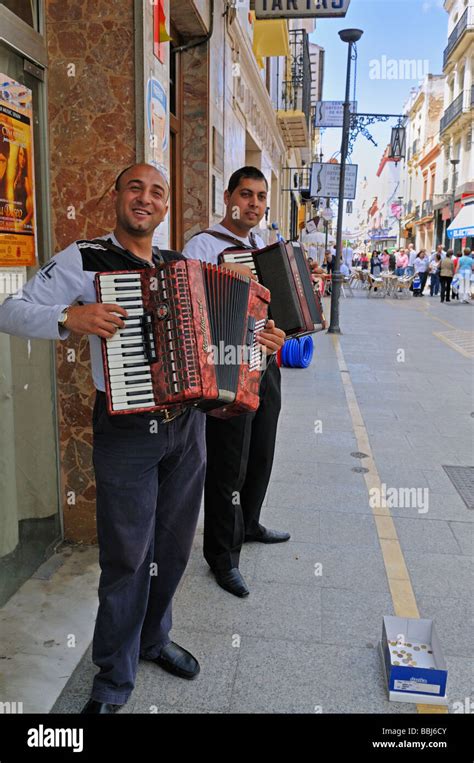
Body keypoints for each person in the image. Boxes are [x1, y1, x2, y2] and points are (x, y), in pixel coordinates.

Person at [0, 162, 285, 713]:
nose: (146, 199)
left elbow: (230, 339)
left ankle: (153, 639)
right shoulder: (84, 259)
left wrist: (260, 341)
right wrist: (70, 316)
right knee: (128, 557)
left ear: (165, 207)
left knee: (174, 548)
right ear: (117, 196)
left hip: (188, 428)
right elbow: (10, 309)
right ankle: (112, 678)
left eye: (157, 192)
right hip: (127, 430)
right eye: (135, 187)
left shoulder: (180, 264)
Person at [182, 166, 288, 599]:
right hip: (226, 366)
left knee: (262, 449)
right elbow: (189, 305)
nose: (254, 204)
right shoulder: (204, 245)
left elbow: (276, 309)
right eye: (246, 195)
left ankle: (250, 522)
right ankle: (221, 556)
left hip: (263, 362)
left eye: (261, 197)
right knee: (229, 462)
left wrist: (280, 331)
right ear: (228, 197)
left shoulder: (261, 246)